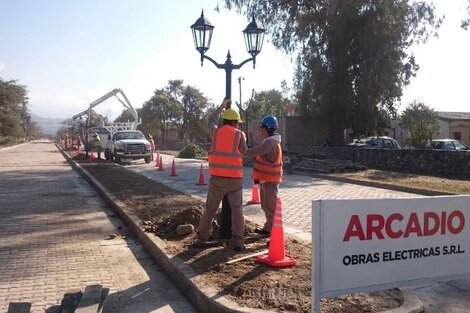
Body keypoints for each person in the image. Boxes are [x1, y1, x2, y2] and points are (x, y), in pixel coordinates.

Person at [196, 98, 248, 251]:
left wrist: (221, 106)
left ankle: (201, 239)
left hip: (217, 179)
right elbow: (245, 151)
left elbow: (211, 119)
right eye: (237, 122)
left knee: (210, 209)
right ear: (234, 122)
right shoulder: (240, 135)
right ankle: (238, 242)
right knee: (237, 211)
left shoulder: (215, 132)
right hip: (235, 181)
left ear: (224, 121)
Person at [244, 115, 283, 237]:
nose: (260, 129)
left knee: (271, 207)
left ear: (266, 128)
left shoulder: (270, 144)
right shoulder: (269, 142)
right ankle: (268, 228)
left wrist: (241, 150)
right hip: (266, 180)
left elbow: (255, 152)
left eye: (261, 127)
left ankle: (275, 234)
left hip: (271, 181)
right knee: (265, 205)